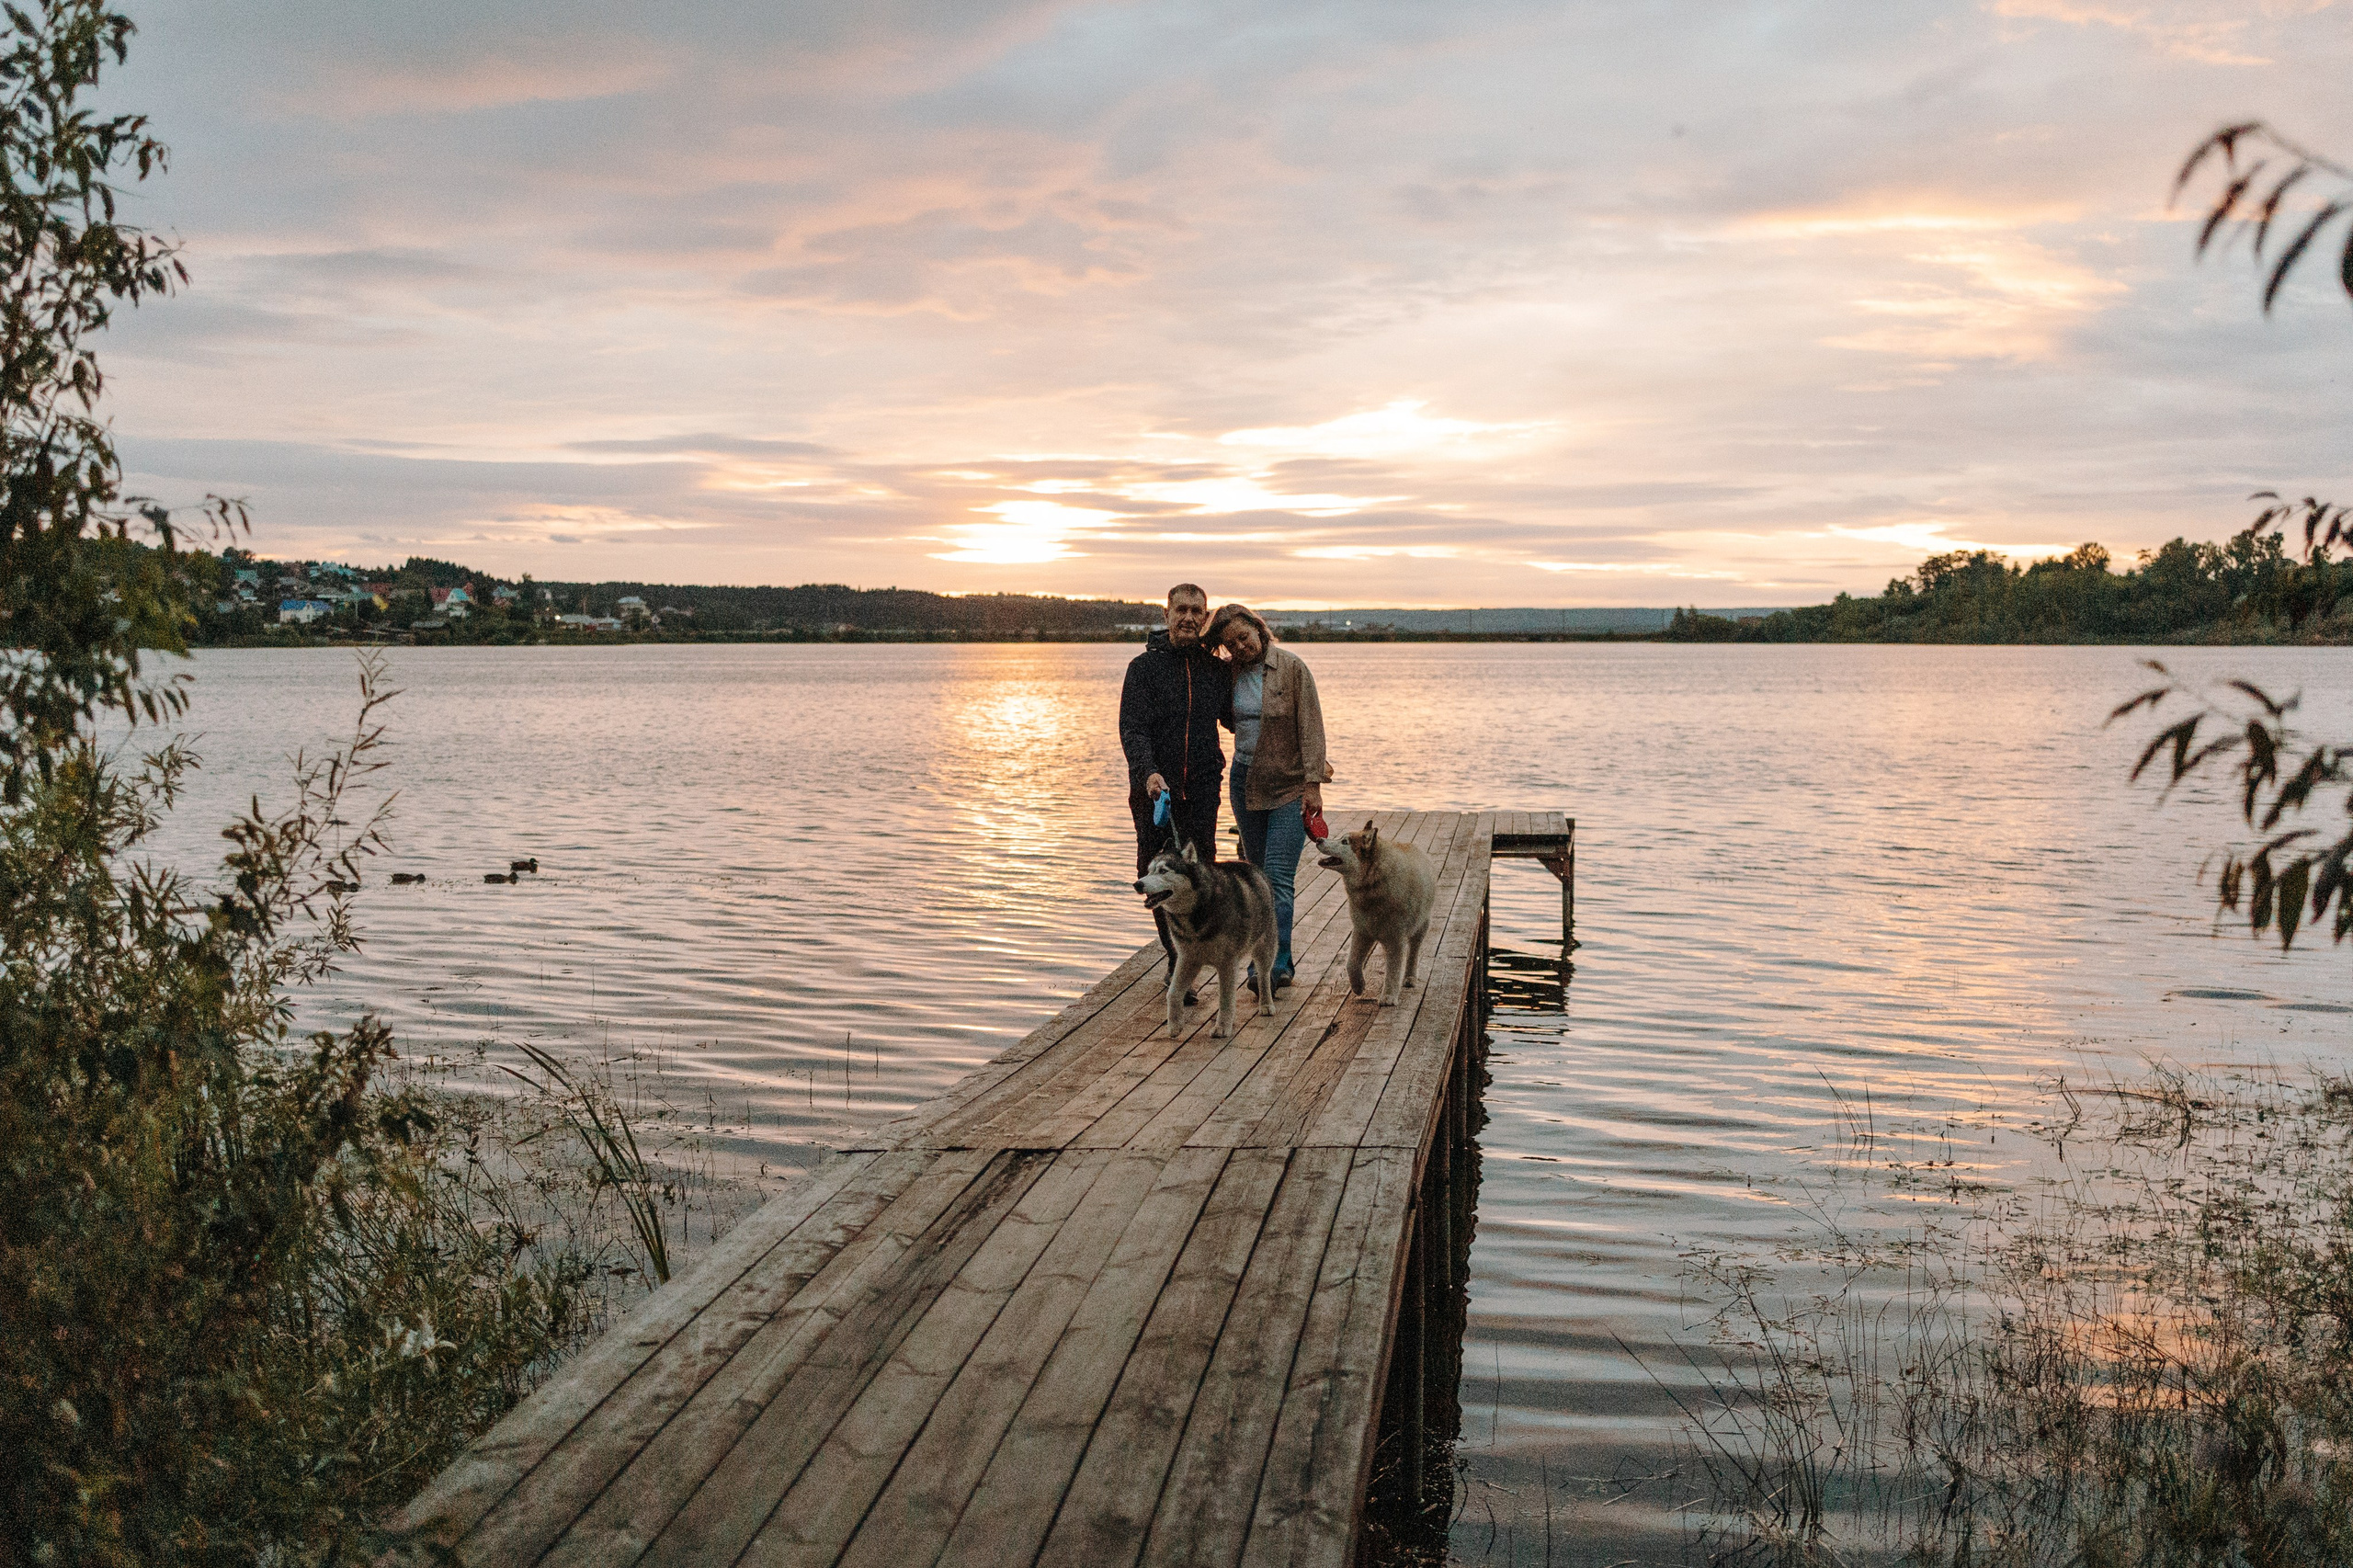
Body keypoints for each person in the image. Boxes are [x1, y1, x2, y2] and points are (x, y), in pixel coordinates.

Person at [1208, 602, 1327, 994]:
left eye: (1243, 636)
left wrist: (1313, 784)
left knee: (1277, 879)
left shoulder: (1292, 668)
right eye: (1230, 644)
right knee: (1256, 879)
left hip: (1289, 784)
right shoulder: (1229, 675)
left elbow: (1311, 727)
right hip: (1244, 783)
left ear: (1259, 629)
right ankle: (1280, 957)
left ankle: (1271, 968)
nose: (1240, 647)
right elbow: (1228, 718)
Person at [1119, 583, 1232, 980]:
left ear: (1205, 618)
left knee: (1201, 873)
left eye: (1196, 611)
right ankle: (1175, 957)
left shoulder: (1216, 671)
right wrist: (1148, 771)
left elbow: (1240, 720)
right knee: (1156, 875)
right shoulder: (1143, 669)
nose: (1188, 617)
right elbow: (1133, 729)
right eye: (1180, 610)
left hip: (1202, 790)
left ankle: (1190, 957)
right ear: (1166, 614)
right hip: (1154, 793)